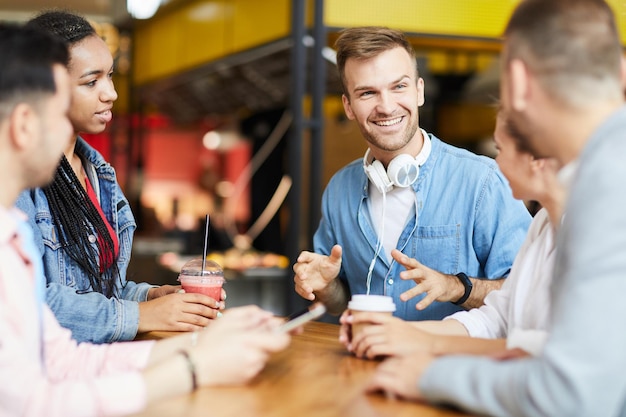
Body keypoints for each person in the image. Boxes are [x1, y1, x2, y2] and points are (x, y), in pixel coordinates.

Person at [0, 22, 290, 417]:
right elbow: (38, 400)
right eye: (57, 109)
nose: (112, 93)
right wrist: (192, 365)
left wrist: (189, 336)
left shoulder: (15, 232)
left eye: (111, 76)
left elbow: (66, 359)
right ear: (22, 124)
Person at [366, 0, 626, 415]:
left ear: (519, 81)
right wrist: (425, 342)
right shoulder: (578, 191)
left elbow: (572, 395)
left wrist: (429, 377)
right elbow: (529, 338)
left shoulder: (608, 186)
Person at [293, 26, 531, 321]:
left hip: (449, 365)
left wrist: (456, 287)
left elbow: (528, 293)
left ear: (419, 91)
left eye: (399, 87)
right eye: (367, 92)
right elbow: (343, 304)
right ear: (349, 106)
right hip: (366, 364)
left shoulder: (482, 181)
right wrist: (327, 288)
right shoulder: (339, 189)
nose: (386, 106)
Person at [16, 10, 222, 344]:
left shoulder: (99, 176)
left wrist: (149, 298)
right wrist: (141, 315)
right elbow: (26, 302)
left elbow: (102, 290)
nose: (110, 93)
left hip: (95, 362)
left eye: (110, 76)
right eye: (91, 81)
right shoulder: (18, 179)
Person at [341, 110, 565, 359]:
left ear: (534, 156)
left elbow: (552, 353)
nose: (496, 164)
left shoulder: (598, 233)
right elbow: (496, 317)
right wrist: (390, 333)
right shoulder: (543, 225)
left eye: (500, 149)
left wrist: (428, 348)